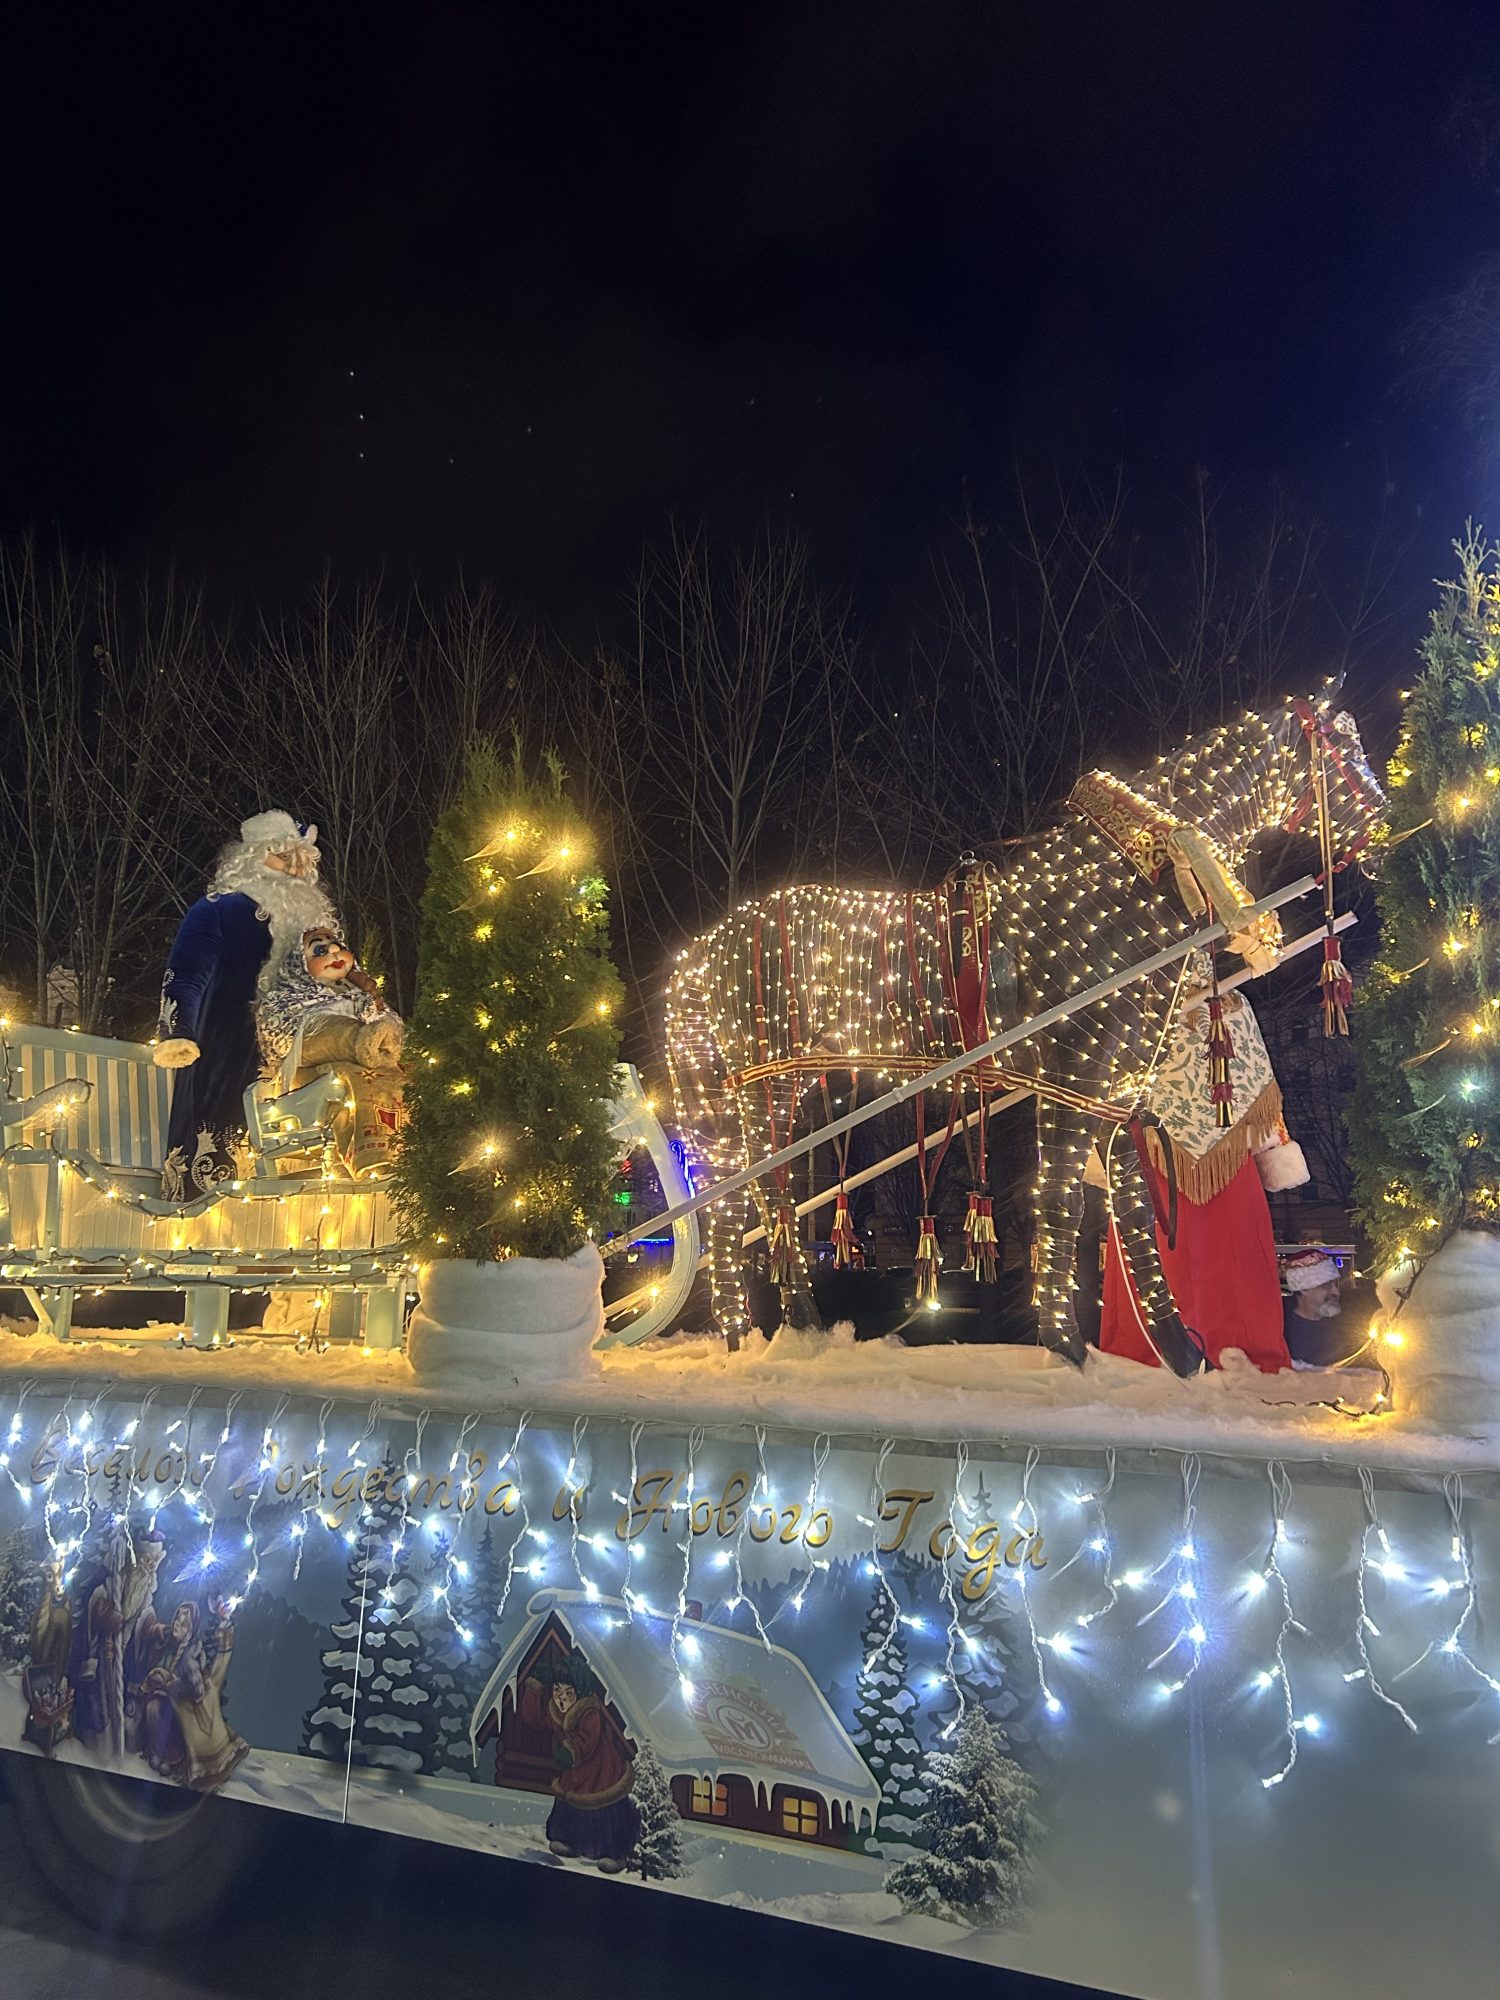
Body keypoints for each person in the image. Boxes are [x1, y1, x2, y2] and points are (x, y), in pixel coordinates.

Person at [1095, 976, 1304, 1372]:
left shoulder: (1219, 1002)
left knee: (1210, 1251)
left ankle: (1171, 1349)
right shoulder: (1150, 1000)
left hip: (1181, 1158)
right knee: (1209, 1252)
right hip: (1165, 1157)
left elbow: (1257, 1090)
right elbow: (1259, 1086)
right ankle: (1188, 1347)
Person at [154, 813, 335, 1200]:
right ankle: (203, 1219)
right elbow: (185, 972)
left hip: (304, 1050)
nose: (293, 868)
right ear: (252, 858)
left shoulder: (315, 928)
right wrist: (178, 1031)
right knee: (224, 1134)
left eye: (300, 859)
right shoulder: (219, 909)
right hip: (230, 1045)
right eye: (282, 857)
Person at [256, 926, 405, 1176]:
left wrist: (379, 1014)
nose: (334, 952)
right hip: (310, 1080)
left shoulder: (357, 998)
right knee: (342, 1061)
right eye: (320, 949)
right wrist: (357, 1038)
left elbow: (391, 1029)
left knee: (385, 1074)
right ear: (297, 963)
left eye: (338, 945)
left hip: (356, 1071)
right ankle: (371, 1153)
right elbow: (292, 1040)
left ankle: (398, 1150)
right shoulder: (283, 1001)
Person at [520, 1655, 641, 1872]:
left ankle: (615, 1854)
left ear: (579, 1693)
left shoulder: (589, 1712)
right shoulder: (556, 1713)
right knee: (570, 1806)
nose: (561, 1698)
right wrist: (534, 1689)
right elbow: (533, 1719)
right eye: (557, 1690)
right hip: (575, 1775)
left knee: (604, 1813)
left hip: (602, 1772)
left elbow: (588, 1739)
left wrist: (570, 1751)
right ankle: (568, 1841)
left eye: (568, 1693)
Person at [140, 1598, 248, 1791]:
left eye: (184, 1623)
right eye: (177, 1620)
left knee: (161, 1713)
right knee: (152, 1709)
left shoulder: (191, 1656)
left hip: (183, 1706)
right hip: (164, 1698)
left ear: (191, 1629)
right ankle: (158, 1753)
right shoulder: (168, 1643)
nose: (178, 1625)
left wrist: (171, 1683)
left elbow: (196, 1691)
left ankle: (173, 1760)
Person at [1281, 1247, 1364, 1367]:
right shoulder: (1282, 1330)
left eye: (1336, 1285)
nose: (1337, 1292)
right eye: (1326, 1286)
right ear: (1304, 1289)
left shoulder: (1347, 1326)